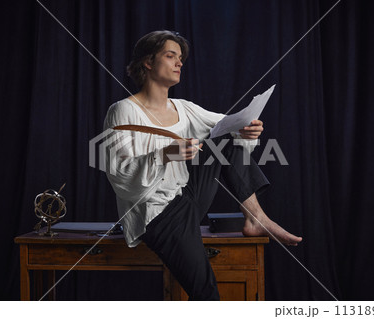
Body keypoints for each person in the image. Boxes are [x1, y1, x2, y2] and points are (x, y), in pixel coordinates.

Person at [104, 30, 302, 300]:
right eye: (170, 55)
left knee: (225, 137)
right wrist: (166, 154)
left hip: (189, 196)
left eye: (181, 58)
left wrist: (248, 130)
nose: (179, 63)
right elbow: (118, 173)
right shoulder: (123, 110)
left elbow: (230, 124)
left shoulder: (184, 108)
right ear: (148, 62)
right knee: (205, 292)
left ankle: (256, 218)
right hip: (159, 213)